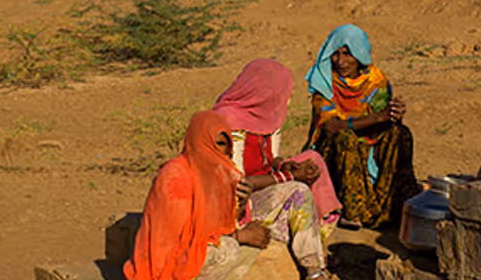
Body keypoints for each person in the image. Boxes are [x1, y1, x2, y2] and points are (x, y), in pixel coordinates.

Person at [125, 110, 293, 280]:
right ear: (199, 142)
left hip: (194, 252)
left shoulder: (216, 175)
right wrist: (239, 236)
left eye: (227, 146)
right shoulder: (175, 176)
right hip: (164, 265)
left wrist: (239, 206)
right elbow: (179, 240)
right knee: (228, 249)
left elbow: (219, 224)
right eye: (218, 144)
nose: (223, 152)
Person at [212, 59, 334, 278]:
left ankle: (316, 237)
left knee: (313, 158)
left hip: (259, 186)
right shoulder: (228, 121)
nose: (286, 99)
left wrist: (283, 165)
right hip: (235, 203)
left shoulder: (266, 114)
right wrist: (290, 175)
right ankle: (314, 269)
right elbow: (240, 182)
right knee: (298, 190)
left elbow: (269, 159)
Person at [304, 24, 419, 229]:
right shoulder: (325, 82)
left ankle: (389, 206)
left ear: (360, 54)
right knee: (345, 138)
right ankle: (353, 210)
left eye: (347, 54)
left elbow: (385, 121)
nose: (341, 61)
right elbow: (331, 127)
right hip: (335, 152)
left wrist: (394, 114)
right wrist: (377, 118)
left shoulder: (375, 80)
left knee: (400, 134)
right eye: (336, 54)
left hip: (370, 143)